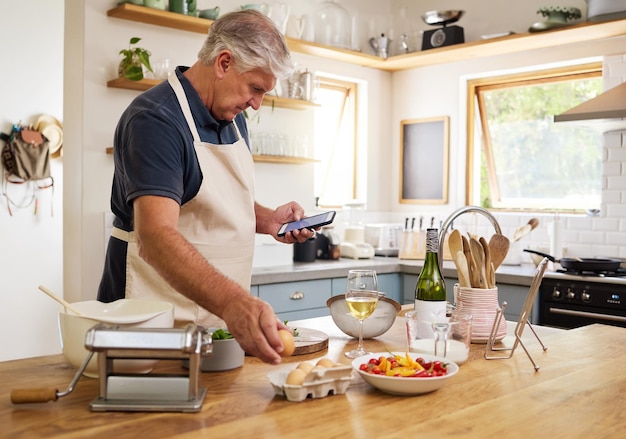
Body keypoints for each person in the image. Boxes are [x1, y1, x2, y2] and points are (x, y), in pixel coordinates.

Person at [98, 9, 314, 365]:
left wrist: (268, 219)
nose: (257, 104)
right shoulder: (156, 120)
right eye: (256, 88)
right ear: (224, 63)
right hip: (153, 322)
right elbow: (155, 236)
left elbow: (208, 199)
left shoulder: (231, 116)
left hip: (216, 326)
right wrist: (233, 302)